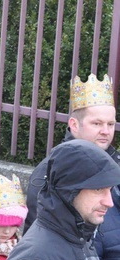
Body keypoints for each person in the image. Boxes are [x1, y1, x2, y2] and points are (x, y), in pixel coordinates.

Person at [24, 73, 117, 232]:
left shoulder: (115, 165)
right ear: (74, 125)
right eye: (97, 123)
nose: (105, 131)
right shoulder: (50, 172)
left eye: (111, 124)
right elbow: (39, 233)